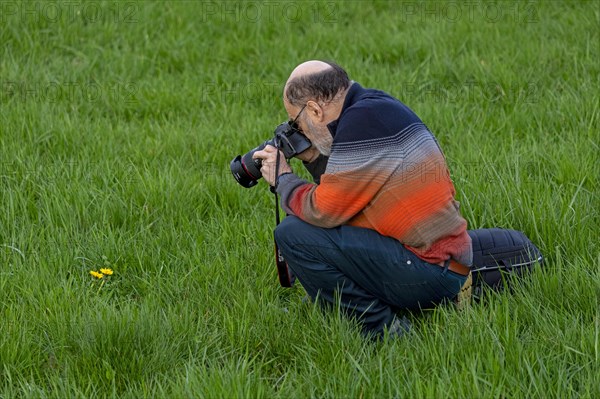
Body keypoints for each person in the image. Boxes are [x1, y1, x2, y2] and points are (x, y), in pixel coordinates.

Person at [253, 60, 473, 338]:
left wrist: (283, 179)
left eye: (296, 123)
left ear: (314, 110)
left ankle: (381, 329)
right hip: (446, 259)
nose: (299, 131)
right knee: (321, 230)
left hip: (429, 271)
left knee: (293, 234)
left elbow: (323, 211)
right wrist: (313, 158)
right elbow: (345, 196)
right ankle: (340, 304)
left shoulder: (361, 126)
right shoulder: (374, 107)